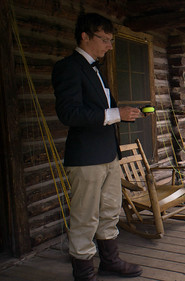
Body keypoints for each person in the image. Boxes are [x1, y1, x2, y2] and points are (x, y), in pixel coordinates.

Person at [52, 13, 143, 281]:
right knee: (84, 217)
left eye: (111, 40)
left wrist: (124, 114)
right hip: (85, 157)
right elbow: (68, 113)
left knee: (109, 211)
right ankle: (83, 273)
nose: (110, 46)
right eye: (105, 39)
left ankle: (110, 262)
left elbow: (99, 112)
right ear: (85, 35)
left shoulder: (96, 70)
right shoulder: (67, 67)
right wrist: (116, 114)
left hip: (107, 153)